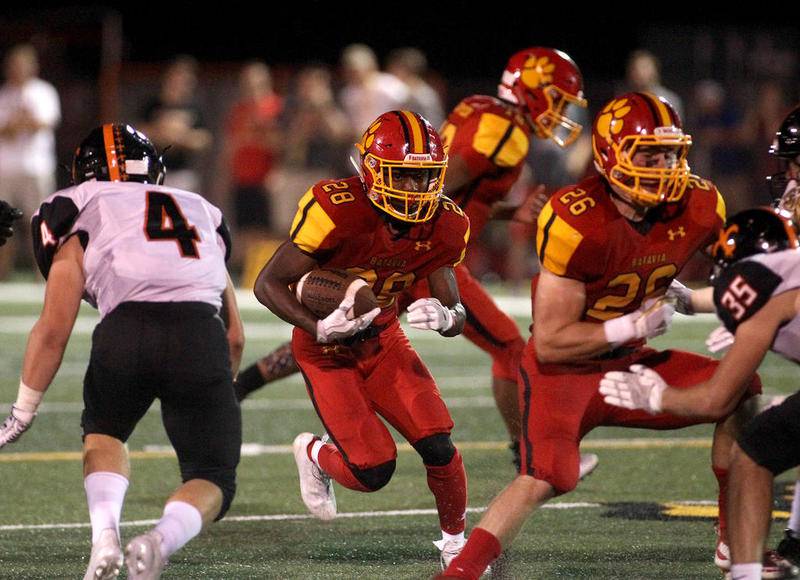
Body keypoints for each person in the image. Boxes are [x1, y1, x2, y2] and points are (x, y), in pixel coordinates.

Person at [438, 91, 760, 580]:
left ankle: (731, 538)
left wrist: (719, 310)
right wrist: (630, 324)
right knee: (547, 476)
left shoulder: (699, 203)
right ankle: (461, 572)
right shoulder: (576, 216)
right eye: (649, 154)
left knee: (743, 389)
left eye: (672, 153)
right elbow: (549, 341)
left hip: (632, 361)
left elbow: (751, 279)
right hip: (563, 372)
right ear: (611, 154)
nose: (664, 167)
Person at [237, 48, 598, 477]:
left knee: (347, 330)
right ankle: (529, 454)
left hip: (412, 246)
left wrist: (504, 213)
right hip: (426, 253)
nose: (560, 112)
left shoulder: (479, 109)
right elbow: (438, 189)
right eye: (556, 98)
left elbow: (455, 192)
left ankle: (245, 383)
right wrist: (425, 235)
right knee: (508, 346)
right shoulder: (508, 132)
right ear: (532, 90)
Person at [0, 124, 244, 580]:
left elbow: (55, 326)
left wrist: (23, 411)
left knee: (105, 435)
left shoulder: (79, 203)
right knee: (211, 474)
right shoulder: (202, 210)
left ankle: (105, 542)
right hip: (200, 335)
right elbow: (234, 336)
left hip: (125, 331)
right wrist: (214, 388)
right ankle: (159, 541)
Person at [253, 110, 471, 568]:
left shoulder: (445, 225)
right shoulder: (335, 207)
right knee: (373, 470)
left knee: (438, 444)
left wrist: (447, 316)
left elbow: (457, 313)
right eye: (404, 176)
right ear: (372, 169)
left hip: (384, 337)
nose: (415, 189)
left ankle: (455, 544)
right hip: (326, 349)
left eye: (424, 177)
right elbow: (267, 283)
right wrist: (315, 326)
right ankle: (313, 451)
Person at [599, 207, 800, 580]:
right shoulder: (782, 269)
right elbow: (718, 297)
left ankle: (747, 571)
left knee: (752, 453)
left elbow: (716, 399)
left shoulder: (766, 293)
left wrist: (658, 397)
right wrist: (683, 298)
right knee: (762, 444)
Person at [0, 43, 61, 278]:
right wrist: (17, 122)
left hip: (37, 167)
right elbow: (6, 130)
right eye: (13, 65)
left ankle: (42, 273)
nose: (17, 69)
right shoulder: (3, 94)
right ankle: (3, 274)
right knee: (5, 225)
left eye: (22, 64)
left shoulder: (44, 92)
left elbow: (43, 123)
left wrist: (19, 122)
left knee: (39, 223)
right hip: (6, 168)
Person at [139, 56, 212, 193]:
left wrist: (180, 137)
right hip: (154, 171)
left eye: (185, 79)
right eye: (177, 77)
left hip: (184, 174)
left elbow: (204, 140)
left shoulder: (194, 109)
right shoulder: (153, 105)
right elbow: (139, 134)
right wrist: (161, 132)